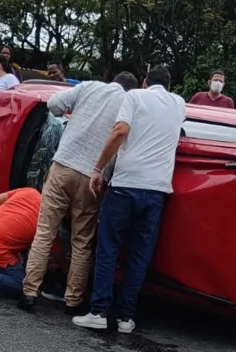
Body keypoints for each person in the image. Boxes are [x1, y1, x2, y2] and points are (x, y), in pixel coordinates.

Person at [73, 65, 185, 334]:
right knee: (139, 254)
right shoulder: (180, 104)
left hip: (125, 185)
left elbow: (120, 131)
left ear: (145, 82)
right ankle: (126, 317)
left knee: (108, 248)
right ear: (169, 85)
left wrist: (98, 168)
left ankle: (99, 311)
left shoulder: (134, 96)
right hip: (157, 190)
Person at [18, 72, 140, 315]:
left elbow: (53, 105)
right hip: (93, 178)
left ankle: (30, 292)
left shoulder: (91, 86)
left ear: (112, 80)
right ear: (132, 89)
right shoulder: (131, 104)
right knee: (82, 241)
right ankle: (73, 301)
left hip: (63, 166)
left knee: (45, 231)